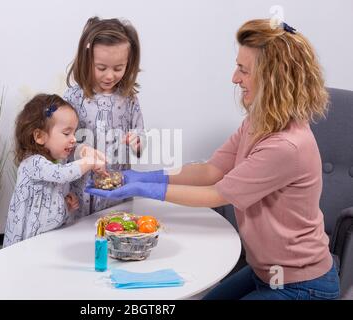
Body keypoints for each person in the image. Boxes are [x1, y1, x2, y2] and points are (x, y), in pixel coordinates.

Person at [85, 19, 340, 300]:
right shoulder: (259, 121)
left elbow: (217, 193)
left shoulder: (286, 146)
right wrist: (144, 176)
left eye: (243, 70)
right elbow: (211, 171)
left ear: (272, 78)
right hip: (263, 272)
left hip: (303, 285)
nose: (234, 78)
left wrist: (144, 189)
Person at [63, 16, 145, 220]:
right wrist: (80, 150)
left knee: (113, 230)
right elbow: (60, 143)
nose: (110, 76)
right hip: (81, 188)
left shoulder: (128, 99)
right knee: (80, 236)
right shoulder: (74, 97)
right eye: (101, 68)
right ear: (86, 60)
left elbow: (140, 135)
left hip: (115, 189)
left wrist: (137, 141)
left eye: (118, 68)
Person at [3, 94, 106, 247]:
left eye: (74, 133)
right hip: (27, 245)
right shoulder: (33, 163)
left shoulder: (55, 161)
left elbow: (44, 211)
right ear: (39, 136)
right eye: (66, 133)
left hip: (48, 239)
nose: (73, 139)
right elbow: (62, 174)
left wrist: (65, 208)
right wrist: (88, 162)